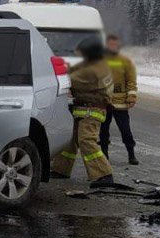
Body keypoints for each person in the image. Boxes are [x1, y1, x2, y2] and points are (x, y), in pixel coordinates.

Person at [51, 36, 114, 187]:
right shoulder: (93, 64)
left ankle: (104, 174)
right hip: (82, 108)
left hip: (91, 110)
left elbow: (69, 79)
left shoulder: (94, 69)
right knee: (70, 139)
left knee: (86, 140)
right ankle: (61, 169)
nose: (79, 55)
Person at [100, 33, 139, 165]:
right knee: (103, 132)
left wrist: (132, 96)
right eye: (110, 44)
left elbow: (131, 81)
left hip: (120, 103)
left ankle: (131, 154)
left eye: (115, 44)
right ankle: (105, 156)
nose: (113, 46)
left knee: (125, 130)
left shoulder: (125, 61)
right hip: (103, 102)